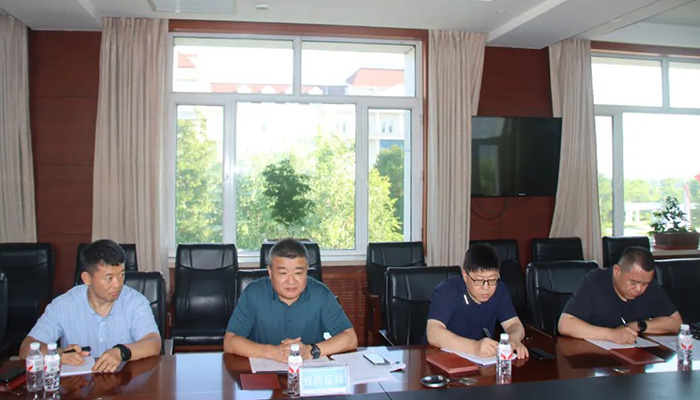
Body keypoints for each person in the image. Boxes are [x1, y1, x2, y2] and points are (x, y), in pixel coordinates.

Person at [19, 239, 161, 373]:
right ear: (87, 279)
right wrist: (59, 354)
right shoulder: (63, 305)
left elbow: (154, 342)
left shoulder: (135, 302)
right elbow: (26, 348)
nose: (118, 284)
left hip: (125, 381)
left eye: (121, 275)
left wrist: (121, 352)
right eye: (109, 278)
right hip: (78, 384)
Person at [224, 238, 357, 362]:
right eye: (283, 273)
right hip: (263, 370)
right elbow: (230, 342)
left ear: (307, 270)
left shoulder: (321, 294)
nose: (291, 281)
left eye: (298, 273)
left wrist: (310, 351)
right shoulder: (253, 293)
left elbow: (350, 338)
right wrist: (272, 352)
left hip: (309, 371)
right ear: (270, 272)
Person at [558, 246, 682, 344]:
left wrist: (639, 326)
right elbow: (565, 325)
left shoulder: (650, 286)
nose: (639, 289)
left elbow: (676, 323)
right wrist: (611, 335)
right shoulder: (595, 281)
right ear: (617, 271)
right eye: (633, 282)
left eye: (645, 284)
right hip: (596, 358)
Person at [426, 244, 529, 359]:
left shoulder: (500, 290)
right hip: (442, 358)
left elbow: (514, 325)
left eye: (492, 280)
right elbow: (433, 333)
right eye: (479, 281)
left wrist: (513, 339)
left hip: (482, 361)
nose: (486, 288)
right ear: (465, 276)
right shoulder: (448, 290)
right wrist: (474, 347)